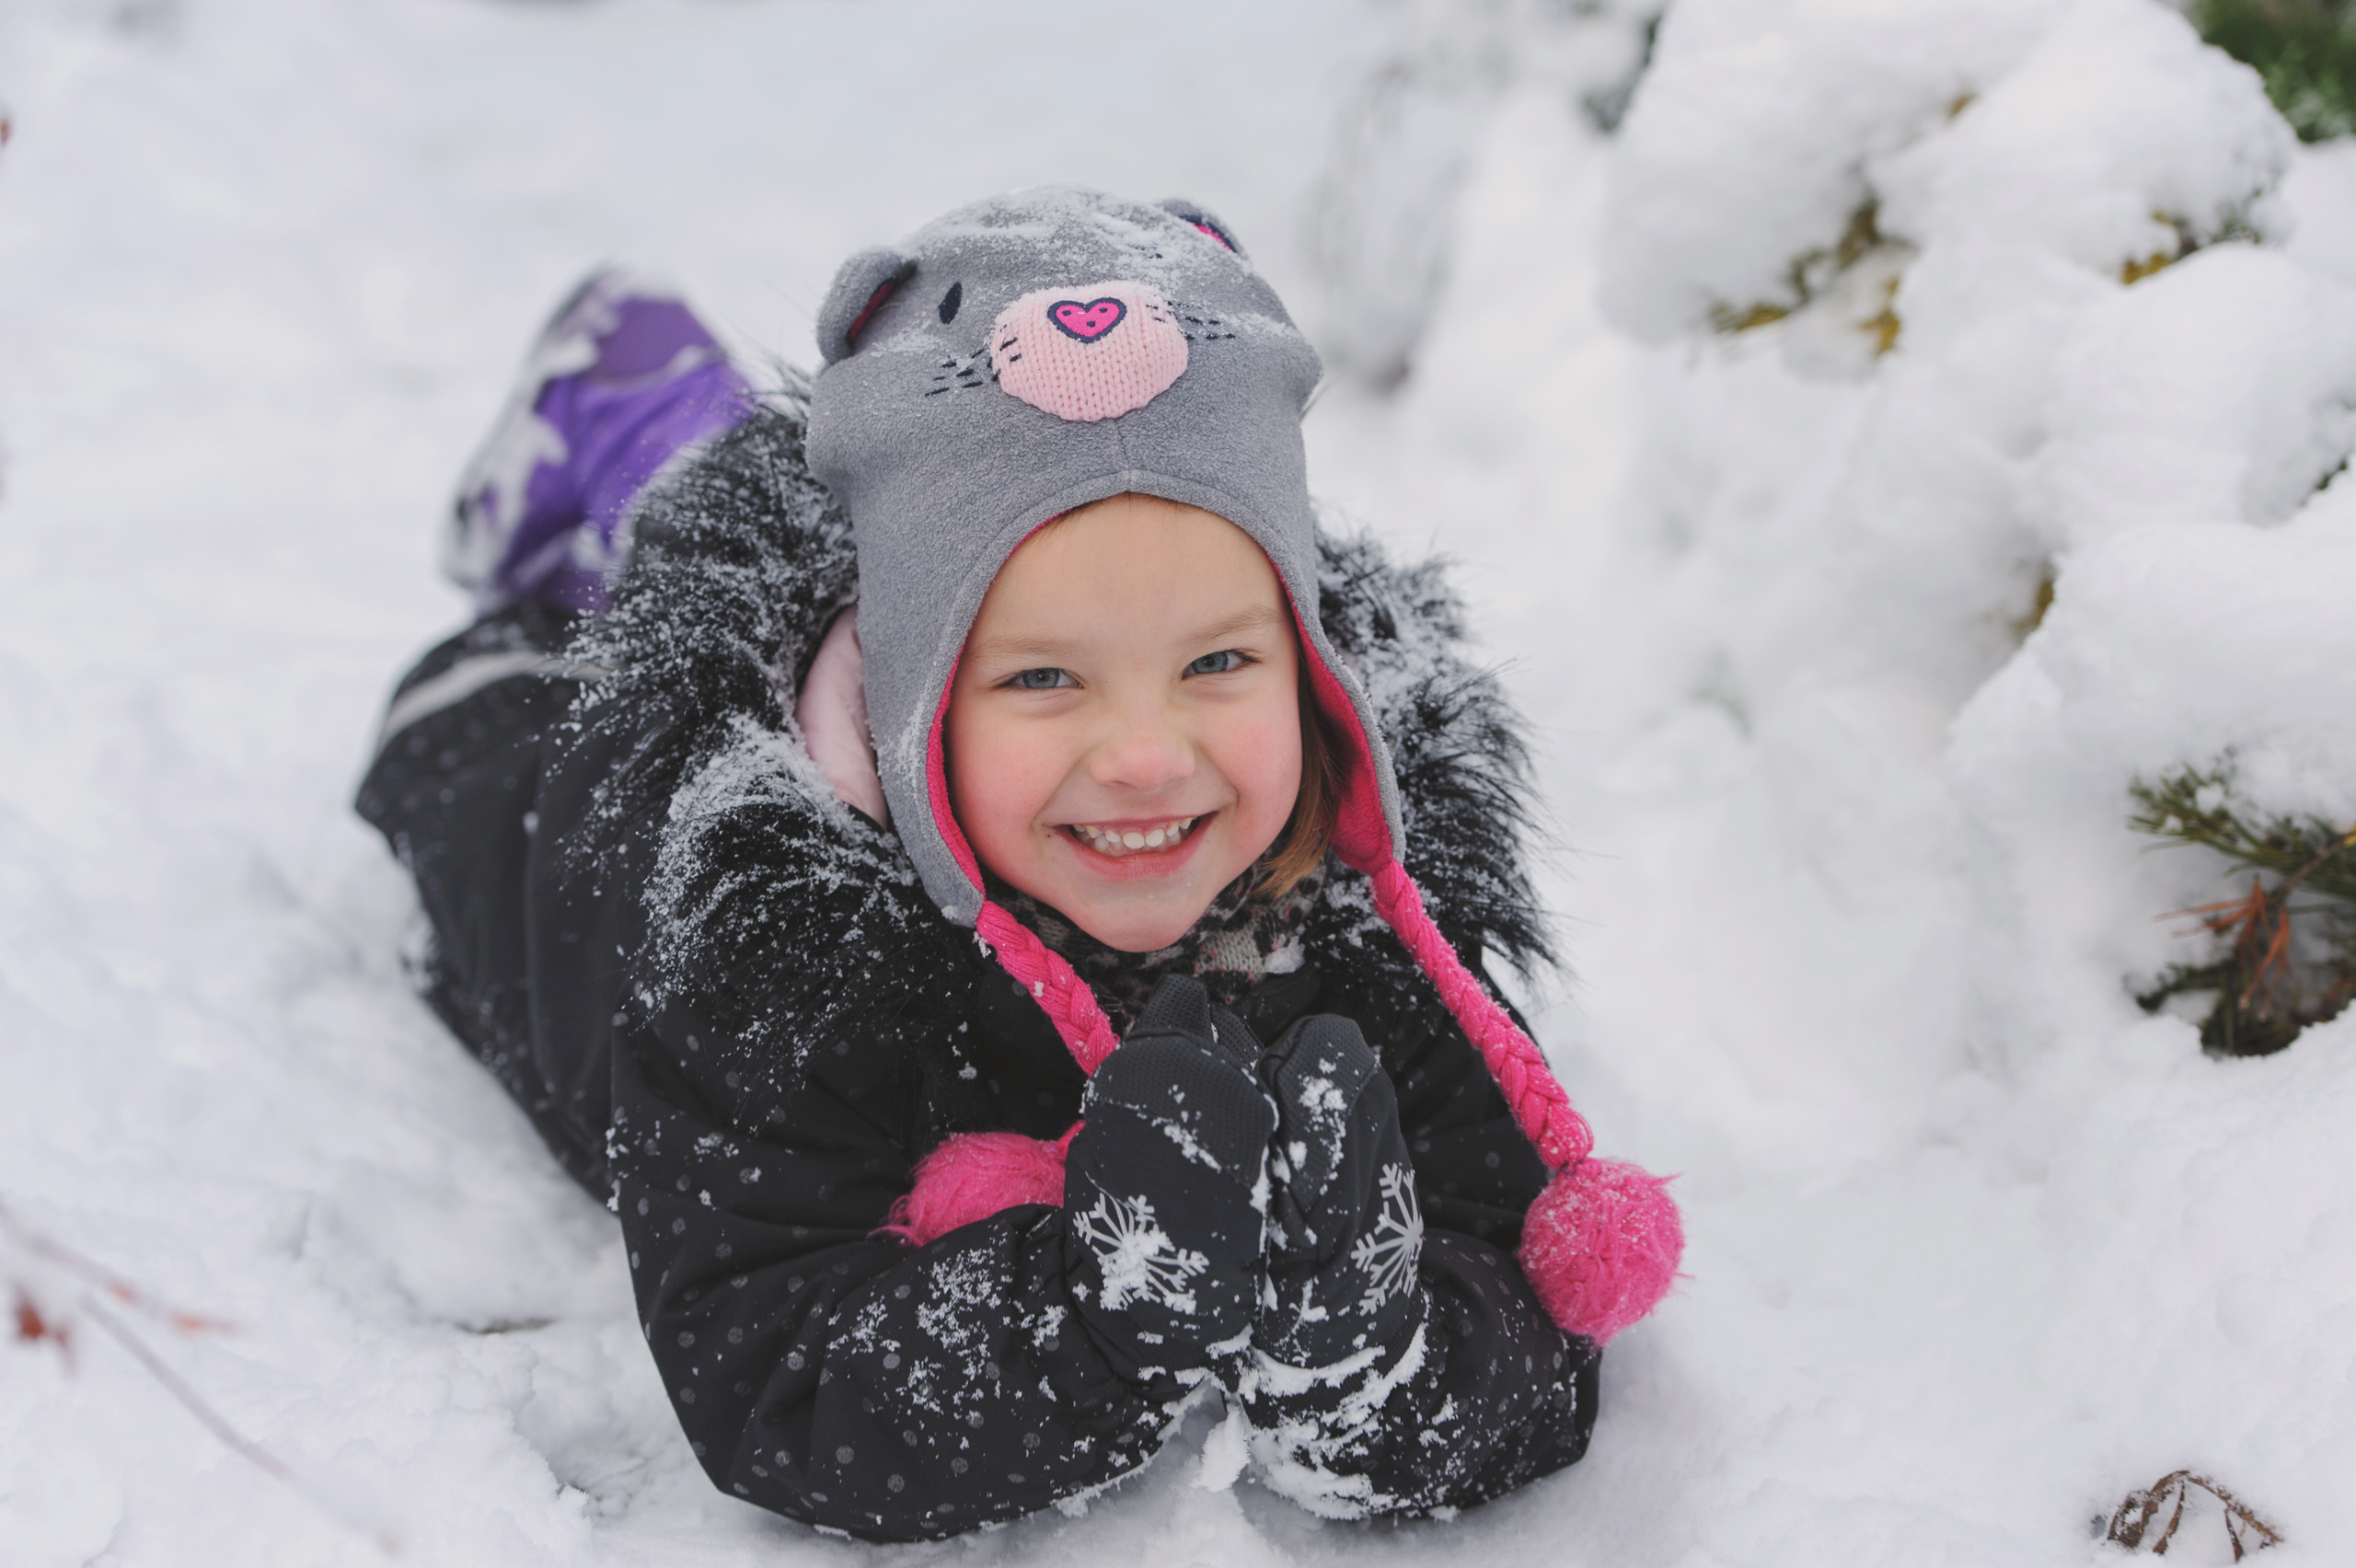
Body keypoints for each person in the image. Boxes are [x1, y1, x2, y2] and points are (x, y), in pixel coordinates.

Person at [356, 189, 1680, 1542]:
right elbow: (774, 1368)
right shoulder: (771, 933)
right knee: (566, 660)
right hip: (551, 789)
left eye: (1219, 663)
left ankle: (689, 433)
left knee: (864, 515)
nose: (1147, 756)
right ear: (910, 711)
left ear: (1310, 668)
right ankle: (628, 416)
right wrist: (1084, 1317)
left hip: (913, 539)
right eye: (1045, 678)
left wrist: (1383, 1367)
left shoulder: (1351, 892)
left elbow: (1517, 1271)